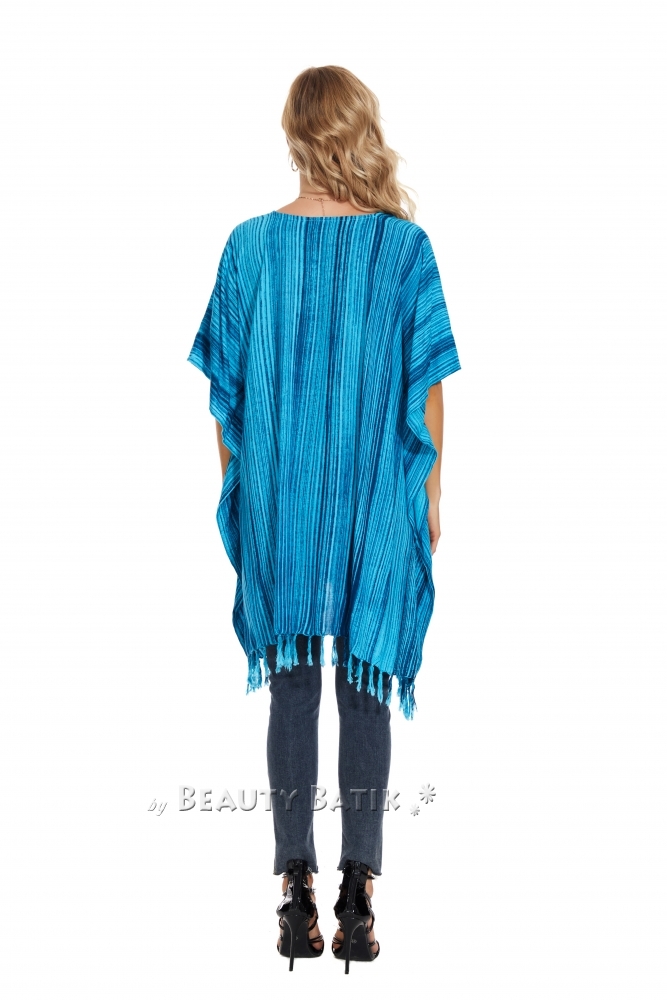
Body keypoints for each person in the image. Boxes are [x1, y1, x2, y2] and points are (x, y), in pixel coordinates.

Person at [188, 65, 461, 973]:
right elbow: (427, 388)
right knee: (364, 686)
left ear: (295, 135)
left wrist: (244, 493)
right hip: (375, 496)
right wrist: (429, 495)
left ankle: (293, 892)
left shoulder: (250, 247)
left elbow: (225, 397)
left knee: (295, 685)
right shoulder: (403, 249)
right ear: (357, 129)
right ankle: (357, 899)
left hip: (284, 501)